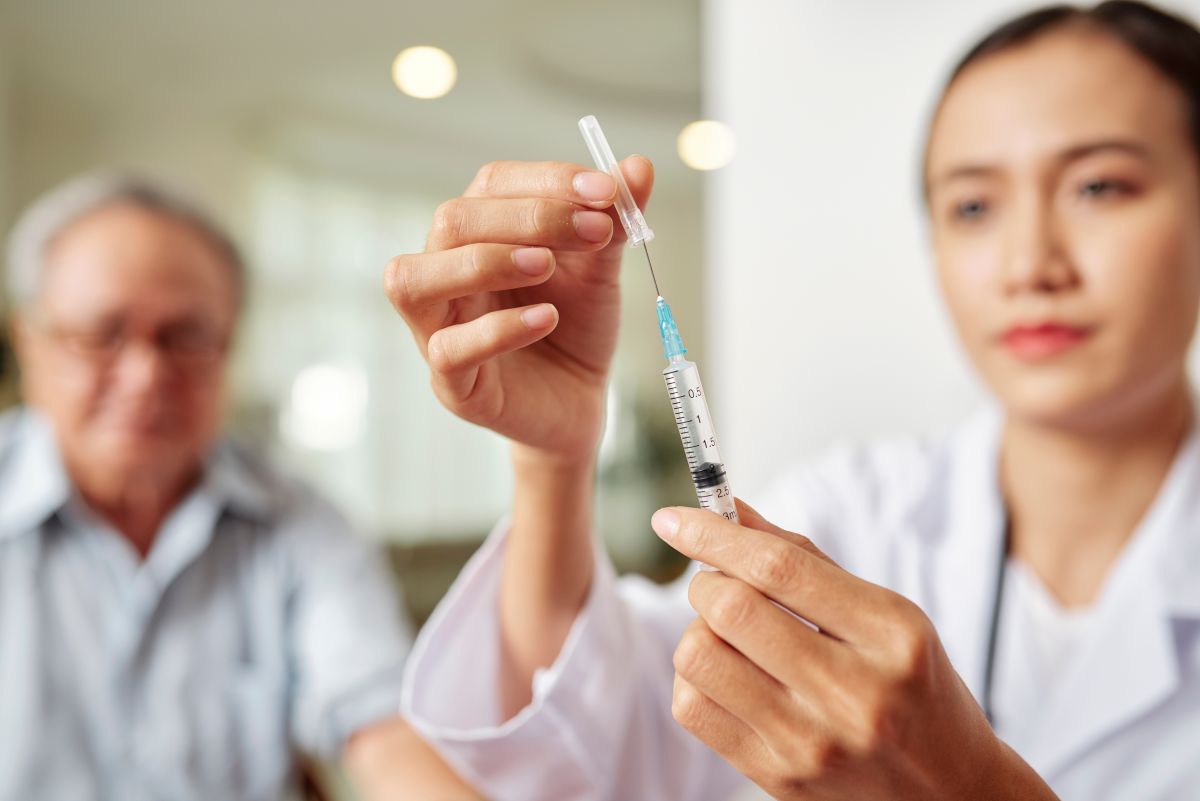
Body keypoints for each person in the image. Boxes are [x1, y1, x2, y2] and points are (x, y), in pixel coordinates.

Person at [386, 2, 1200, 799]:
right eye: (975, 205)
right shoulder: (846, 515)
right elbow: (593, 762)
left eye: (1099, 187)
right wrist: (553, 460)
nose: (1030, 263)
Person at [0, 172, 476, 801]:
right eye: (102, 333)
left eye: (186, 337)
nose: (145, 375)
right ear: (27, 342)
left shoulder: (302, 522)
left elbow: (382, 729)